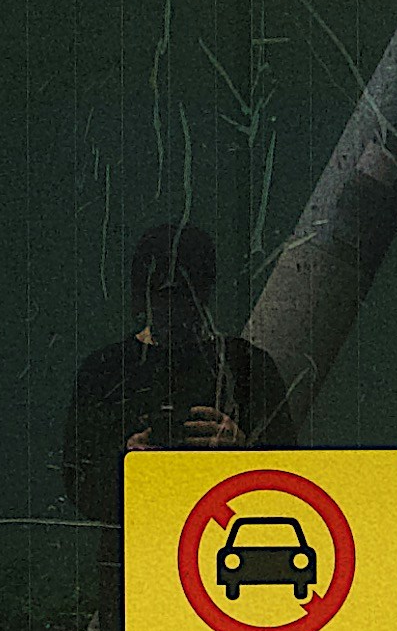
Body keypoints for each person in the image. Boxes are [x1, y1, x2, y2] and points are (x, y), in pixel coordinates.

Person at [60, 221, 294, 520]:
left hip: (157, 548)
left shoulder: (246, 365)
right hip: (209, 543)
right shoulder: (244, 364)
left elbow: (286, 474)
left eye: (183, 293)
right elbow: (80, 483)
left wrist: (242, 451)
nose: (174, 306)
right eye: (164, 294)